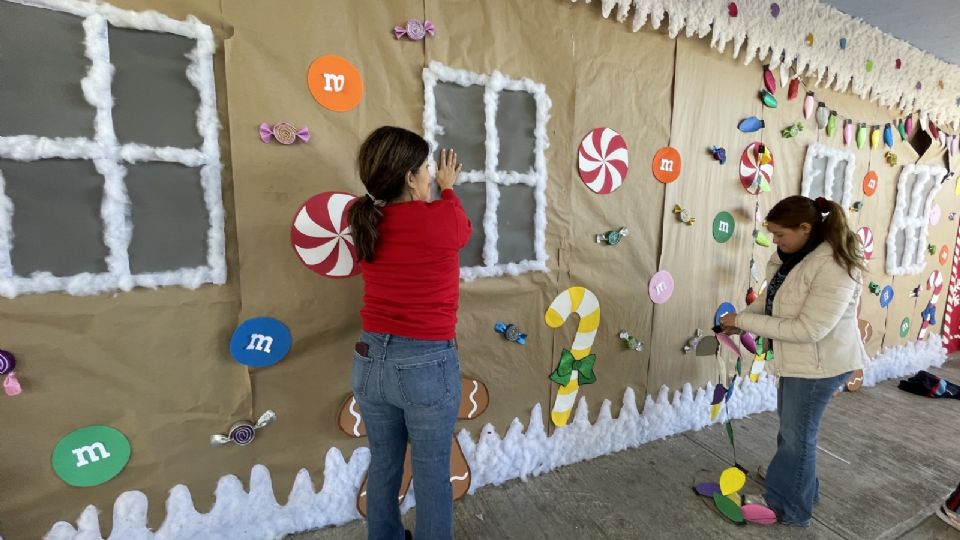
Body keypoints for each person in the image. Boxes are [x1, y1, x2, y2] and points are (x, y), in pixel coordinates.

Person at [347, 126, 471, 540]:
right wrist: (447, 190)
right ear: (410, 177)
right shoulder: (442, 215)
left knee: (384, 461)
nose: (432, 174)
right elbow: (461, 231)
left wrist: (429, 194)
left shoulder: (361, 217)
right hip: (425, 364)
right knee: (432, 468)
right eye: (426, 168)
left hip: (368, 361)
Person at [719, 195, 867, 527]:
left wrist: (743, 323)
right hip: (802, 362)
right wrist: (739, 316)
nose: (775, 241)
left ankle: (788, 507)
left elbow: (809, 329)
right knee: (792, 433)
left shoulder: (834, 266)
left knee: (797, 437)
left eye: (780, 235)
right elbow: (773, 300)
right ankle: (795, 484)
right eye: (772, 235)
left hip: (820, 365)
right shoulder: (793, 255)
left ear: (805, 228)